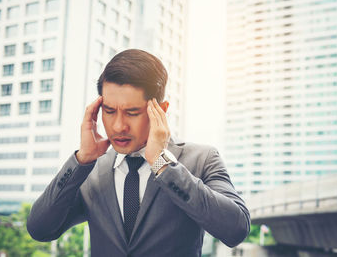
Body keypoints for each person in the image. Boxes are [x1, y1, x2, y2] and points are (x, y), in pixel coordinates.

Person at [27, 49, 250, 257]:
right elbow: (40, 229)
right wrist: (82, 159)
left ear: (160, 111)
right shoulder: (90, 169)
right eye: (109, 111)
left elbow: (236, 229)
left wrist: (161, 164)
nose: (118, 126)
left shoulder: (202, 158)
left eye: (132, 112)